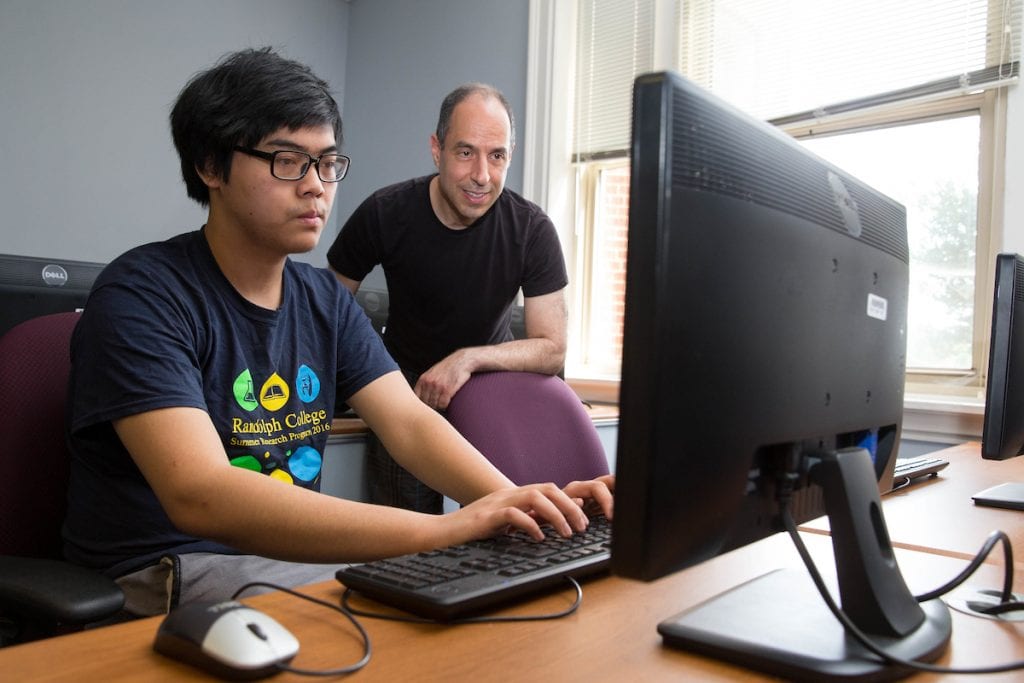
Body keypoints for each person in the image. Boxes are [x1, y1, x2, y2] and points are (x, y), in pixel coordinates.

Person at [62, 48, 612, 617]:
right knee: (393, 611)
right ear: (210, 165)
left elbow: (410, 424)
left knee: (481, 594)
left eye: (327, 164)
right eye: (287, 161)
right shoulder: (143, 294)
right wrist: (446, 530)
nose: (316, 187)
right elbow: (202, 495)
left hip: (280, 559)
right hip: (167, 566)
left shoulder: (323, 300)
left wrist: (515, 503)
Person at [327, 83, 569, 514]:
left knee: (504, 529)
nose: (482, 175)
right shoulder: (385, 212)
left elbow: (553, 349)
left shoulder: (532, 230)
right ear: (436, 149)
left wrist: (467, 359)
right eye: (465, 152)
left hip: (489, 392)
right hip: (405, 397)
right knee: (407, 545)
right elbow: (326, 311)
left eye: (497, 156)